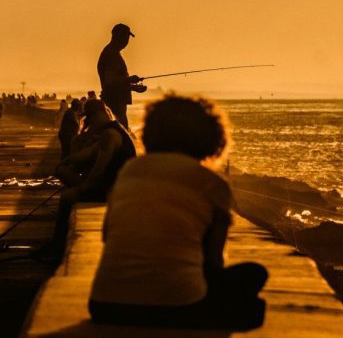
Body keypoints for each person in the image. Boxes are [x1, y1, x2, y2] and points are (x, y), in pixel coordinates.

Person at [88, 95, 267, 330]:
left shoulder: (130, 170)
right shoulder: (213, 184)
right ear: (211, 136)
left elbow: (106, 236)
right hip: (177, 308)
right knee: (255, 279)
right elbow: (213, 262)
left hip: (105, 306)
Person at [44, 100, 136, 258]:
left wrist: (84, 188)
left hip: (111, 189)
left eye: (91, 117)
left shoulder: (109, 135)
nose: (89, 121)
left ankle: (57, 248)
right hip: (114, 186)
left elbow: (100, 168)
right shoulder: (113, 130)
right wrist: (70, 160)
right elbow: (89, 154)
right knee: (62, 170)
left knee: (67, 198)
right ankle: (56, 245)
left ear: (100, 114)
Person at [97, 23, 147, 128]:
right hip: (114, 103)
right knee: (122, 137)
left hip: (117, 103)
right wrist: (130, 79)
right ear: (118, 37)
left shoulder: (114, 53)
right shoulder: (111, 54)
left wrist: (133, 87)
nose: (127, 41)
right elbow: (110, 81)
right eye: (126, 37)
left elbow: (116, 82)